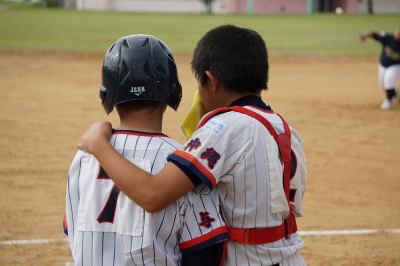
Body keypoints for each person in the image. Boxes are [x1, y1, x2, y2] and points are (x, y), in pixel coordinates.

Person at [78, 25, 308, 266]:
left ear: (211, 81)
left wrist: (98, 144)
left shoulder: (223, 128)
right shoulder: (286, 130)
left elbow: (152, 195)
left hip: (247, 260)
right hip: (289, 257)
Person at [63, 34, 229, 266]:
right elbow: (202, 254)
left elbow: (72, 230)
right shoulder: (184, 164)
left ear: (107, 93)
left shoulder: (84, 156)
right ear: (172, 92)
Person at [359, 26, 400, 110]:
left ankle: (388, 101)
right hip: (383, 65)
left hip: (396, 66)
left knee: (388, 79)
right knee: (383, 87)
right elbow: (374, 34)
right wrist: (365, 36)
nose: (397, 34)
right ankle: (395, 92)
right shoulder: (388, 38)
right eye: (397, 32)